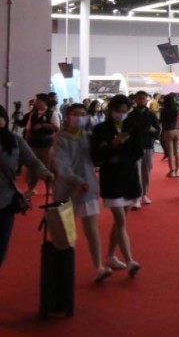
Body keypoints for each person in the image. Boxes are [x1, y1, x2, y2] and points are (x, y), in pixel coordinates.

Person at [53, 103, 111, 281]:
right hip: (65, 188)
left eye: (83, 114)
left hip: (87, 187)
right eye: (76, 114)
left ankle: (99, 267)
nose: (79, 118)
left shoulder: (89, 137)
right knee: (68, 232)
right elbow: (61, 164)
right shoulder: (60, 138)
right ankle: (67, 271)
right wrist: (76, 180)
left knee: (92, 230)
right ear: (68, 116)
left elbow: (97, 158)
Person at [90, 94, 142, 277]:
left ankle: (111, 256)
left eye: (125, 111)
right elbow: (96, 154)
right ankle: (130, 260)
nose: (121, 114)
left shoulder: (132, 127)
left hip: (129, 177)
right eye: (118, 111)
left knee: (121, 222)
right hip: (111, 179)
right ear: (111, 110)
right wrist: (113, 144)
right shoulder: (100, 129)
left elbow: (138, 151)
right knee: (120, 221)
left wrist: (121, 157)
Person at [1, 107, 53, 267]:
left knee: (0, 249)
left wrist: (45, 172)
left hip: (6, 202)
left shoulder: (15, 141)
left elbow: (32, 161)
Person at [127, 90, 160, 208]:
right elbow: (126, 131)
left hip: (148, 146)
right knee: (136, 173)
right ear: (135, 100)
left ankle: (144, 194)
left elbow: (158, 132)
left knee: (146, 171)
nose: (141, 100)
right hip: (134, 148)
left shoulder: (152, 115)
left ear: (146, 100)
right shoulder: (130, 116)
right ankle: (136, 197)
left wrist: (152, 130)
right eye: (139, 98)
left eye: (143, 98)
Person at [25, 93, 60, 172]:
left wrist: (43, 125)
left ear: (44, 102)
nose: (36, 103)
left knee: (46, 165)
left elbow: (57, 127)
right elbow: (28, 129)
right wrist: (26, 142)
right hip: (33, 143)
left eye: (38, 101)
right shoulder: (33, 114)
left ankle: (46, 178)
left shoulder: (52, 113)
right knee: (33, 165)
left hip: (47, 144)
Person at [160, 94, 179, 178]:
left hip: (168, 130)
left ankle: (172, 171)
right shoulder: (177, 109)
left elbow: (161, 120)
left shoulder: (163, 110)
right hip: (177, 130)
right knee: (177, 152)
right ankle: (177, 171)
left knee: (170, 152)